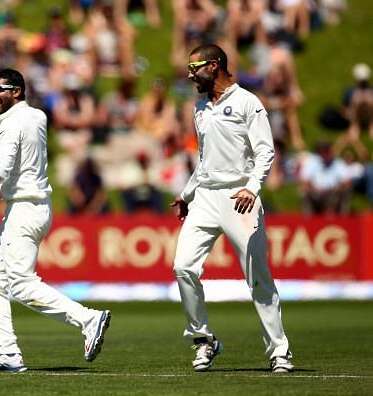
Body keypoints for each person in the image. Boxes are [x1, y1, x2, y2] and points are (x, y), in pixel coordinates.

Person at [0, 48, 111, 373]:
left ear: (17, 92)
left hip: (23, 210)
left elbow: (0, 169)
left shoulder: (12, 124)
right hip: (33, 208)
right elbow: (2, 92)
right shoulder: (35, 115)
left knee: (21, 284)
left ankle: (87, 319)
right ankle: (8, 353)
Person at [170, 44, 293, 373]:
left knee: (257, 277)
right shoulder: (199, 107)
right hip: (206, 197)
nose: (190, 74)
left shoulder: (247, 102)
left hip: (240, 197)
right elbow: (205, 161)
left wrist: (252, 188)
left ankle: (279, 351)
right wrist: (186, 195)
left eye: (194, 67)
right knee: (183, 267)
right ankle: (203, 339)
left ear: (213, 65)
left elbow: (265, 152)